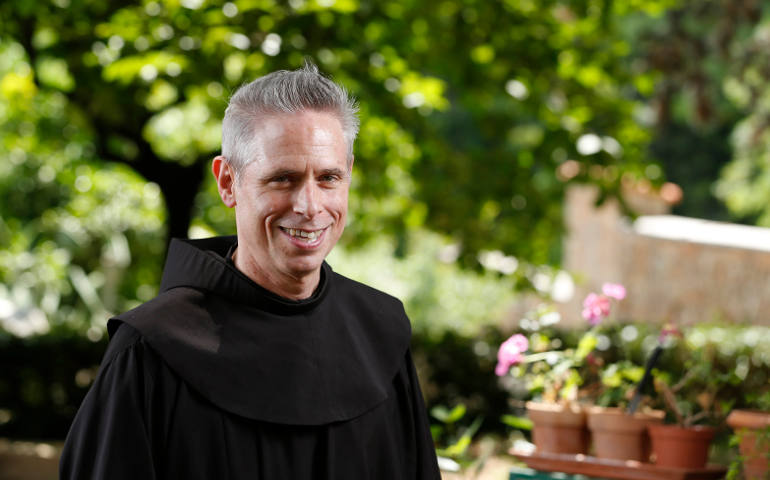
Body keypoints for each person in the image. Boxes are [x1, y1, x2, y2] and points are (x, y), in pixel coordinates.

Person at [59, 62, 441, 479]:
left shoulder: (381, 333)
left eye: (328, 177)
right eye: (283, 179)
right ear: (227, 182)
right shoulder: (150, 352)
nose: (310, 206)